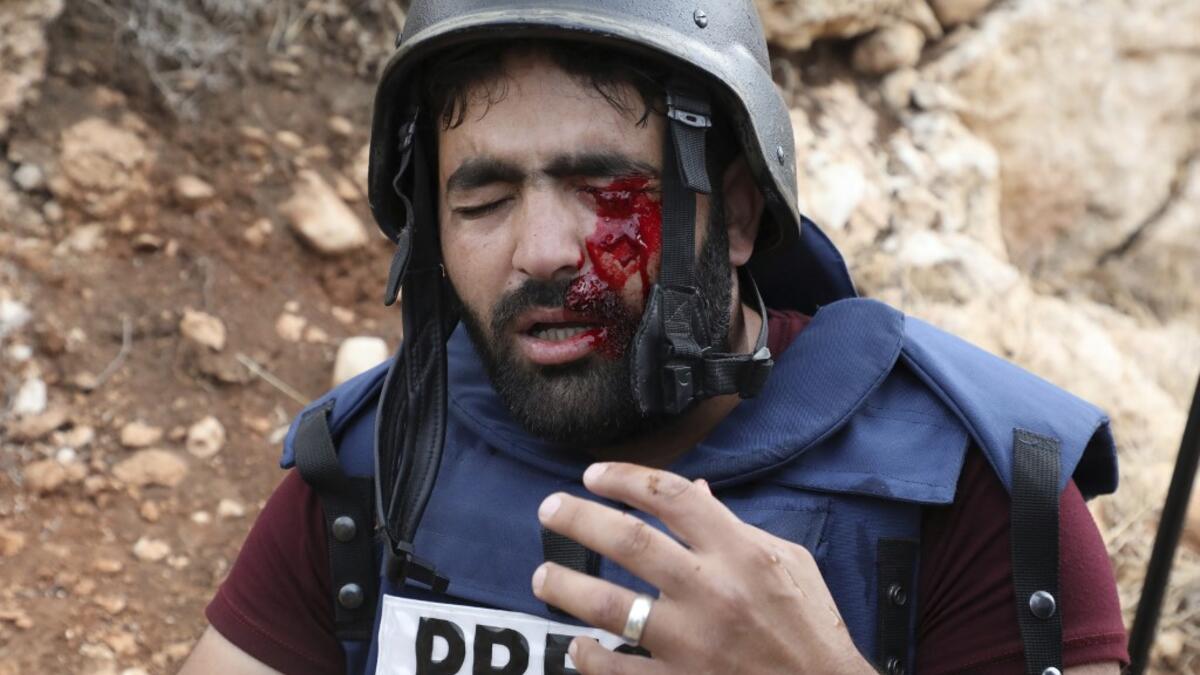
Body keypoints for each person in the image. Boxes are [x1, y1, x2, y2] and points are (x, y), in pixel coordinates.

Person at [182, 2, 1129, 674]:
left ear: (742, 215)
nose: (544, 252)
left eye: (606, 192)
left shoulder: (972, 491)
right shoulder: (379, 459)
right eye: (483, 198)